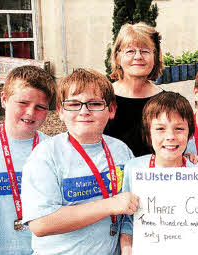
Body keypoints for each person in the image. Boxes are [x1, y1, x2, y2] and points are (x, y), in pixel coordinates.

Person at [21, 69, 139, 254]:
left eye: (95, 104)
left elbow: (132, 208)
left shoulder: (121, 151)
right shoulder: (46, 155)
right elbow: (41, 223)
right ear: (60, 111)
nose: (84, 111)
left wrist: (127, 243)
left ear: (112, 110)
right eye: (74, 104)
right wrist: (108, 206)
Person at [0, 65, 55, 254]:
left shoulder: (54, 150)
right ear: (4, 99)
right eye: (23, 103)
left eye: (40, 107)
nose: (30, 112)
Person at [119, 91, 198, 255]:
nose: (170, 136)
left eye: (179, 129)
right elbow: (128, 221)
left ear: (190, 134)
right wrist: (127, 248)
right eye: (160, 129)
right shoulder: (133, 169)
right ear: (148, 134)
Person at [104, 22, 164, 157]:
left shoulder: (166, 102)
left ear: (155, 57)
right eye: (130, 51)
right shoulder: (102, 97)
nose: (138, 56)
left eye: (145, 51)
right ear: (118, 57)